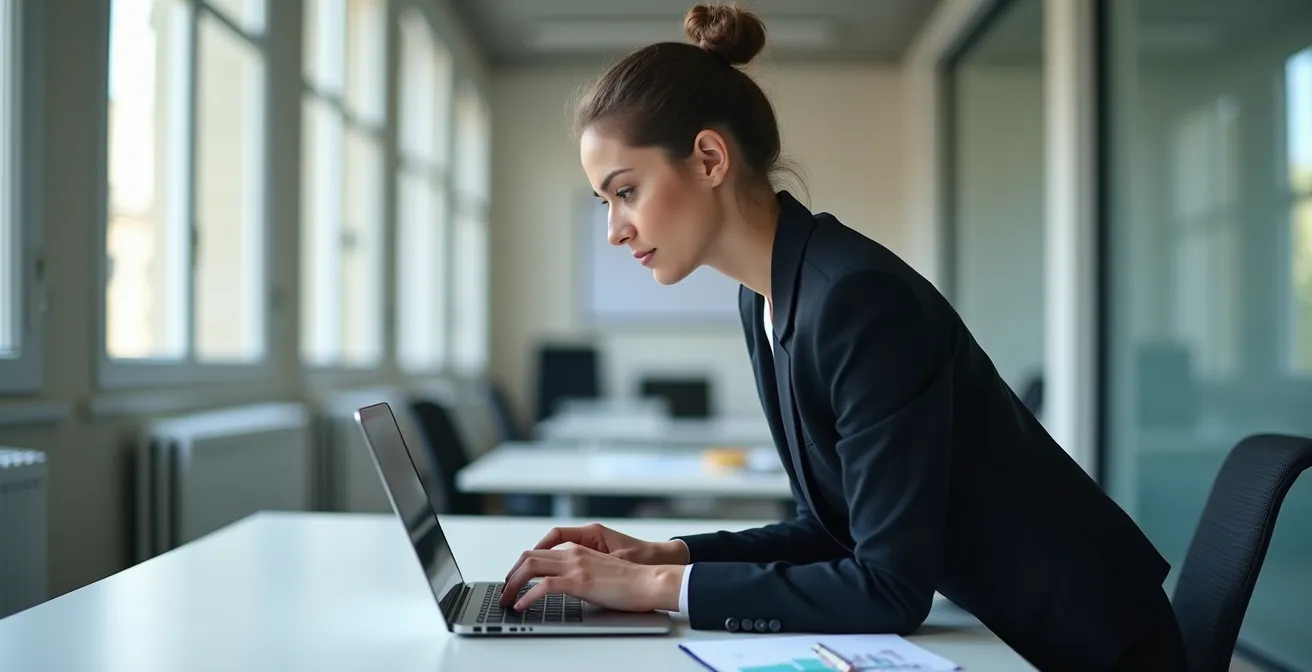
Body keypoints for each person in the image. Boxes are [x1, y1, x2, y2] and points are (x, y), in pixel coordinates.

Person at [499, 4, 1186, 670]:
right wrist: (665, 555)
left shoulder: (857, 299)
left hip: (1084, 641)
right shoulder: (765, 298)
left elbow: (890, 589)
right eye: (604, 203)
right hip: (996, 629)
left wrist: (650, 591)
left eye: (625, 192)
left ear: (709, 158)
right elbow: (833, 527)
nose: (614, 230)